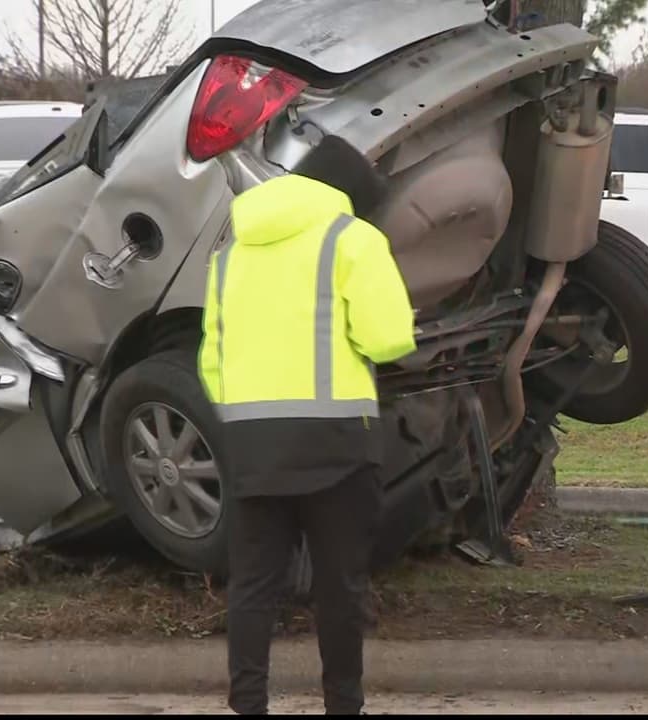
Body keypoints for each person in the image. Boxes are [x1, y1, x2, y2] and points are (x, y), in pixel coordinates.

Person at [198, 134, 418, 715]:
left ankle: (248, 704)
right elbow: (389, 336)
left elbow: (210, 362)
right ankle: (343, 706)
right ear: (346, 195)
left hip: (252, 446)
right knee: (339, 589)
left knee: (251, 588)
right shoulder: (352, 240)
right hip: (337, 446)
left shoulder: (230, 255)